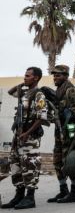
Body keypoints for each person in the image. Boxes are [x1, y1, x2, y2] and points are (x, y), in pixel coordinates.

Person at [1, 67, 48, 210]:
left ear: (36, 78)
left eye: (27, 76)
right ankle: (19, 195)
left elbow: (42, 117)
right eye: (24, 75)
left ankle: (30, 197)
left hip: (30, 137)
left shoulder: (38, 95)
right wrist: (22, 84)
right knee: (15, 164)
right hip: (19, 135)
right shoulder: (24, 93)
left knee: (30, 165)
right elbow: (10, 92)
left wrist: (28, 133)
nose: (24, 77)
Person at [47, 65, 75, 204]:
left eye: (58, 75)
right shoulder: (58, 91)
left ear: (66, 76)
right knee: (57, 159)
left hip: (71, 128)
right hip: (60, 129)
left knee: (71, 160)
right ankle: (64, 189)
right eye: (54, 75)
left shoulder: (70, 90)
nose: (55, 77)